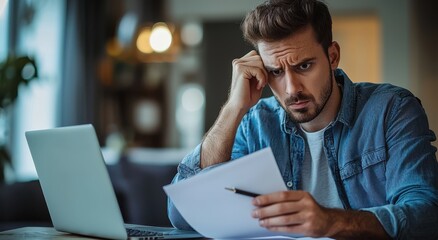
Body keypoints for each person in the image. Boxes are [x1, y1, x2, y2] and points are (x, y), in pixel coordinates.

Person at [167, 0, 438, 239]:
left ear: (332, 56)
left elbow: (426, 214)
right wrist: (233, 109)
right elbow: (181, 215)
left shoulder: (391, 109)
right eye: (275, 71)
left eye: (304, 66)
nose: (291, 88)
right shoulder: (255, 124)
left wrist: (329, 222)